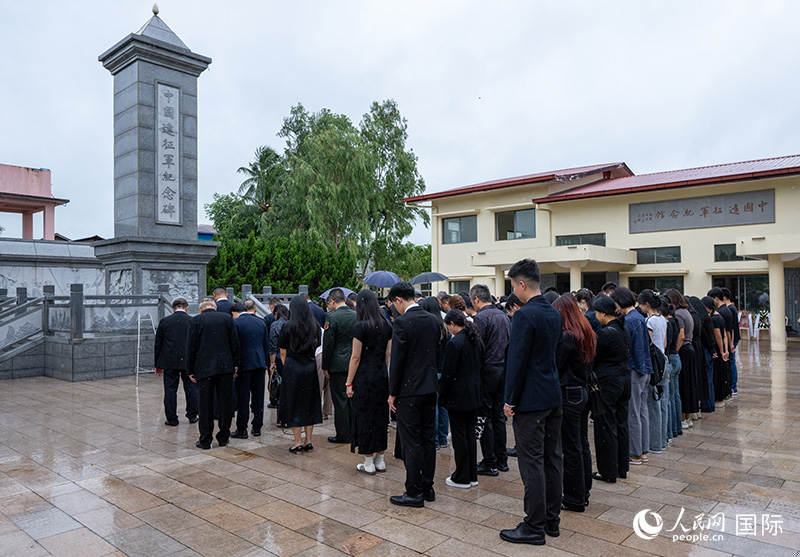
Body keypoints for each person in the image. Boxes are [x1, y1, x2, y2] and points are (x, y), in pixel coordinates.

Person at [500, 259, 563, 546]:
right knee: (551, 459)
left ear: (521, 284)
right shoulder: (553, 312)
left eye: (513, 284)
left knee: (531, 463)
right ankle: (551, 520)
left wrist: (509, 399)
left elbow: (517, 362)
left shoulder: (524, 316)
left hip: (531, 400)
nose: (513, 289)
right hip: (552, 395)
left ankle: (534, 525)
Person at [387, 281, 443, 508]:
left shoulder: (402, 322)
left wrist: (392, 393)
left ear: (399, 300)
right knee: (428, 439)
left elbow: (397, 360)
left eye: (393, 304)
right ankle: (427, 486)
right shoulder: (433, 320)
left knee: (411, 441)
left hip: (409, 390)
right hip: (430, 387)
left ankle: (413, 491)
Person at [552, 294, 595, 513]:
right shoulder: (585, 331)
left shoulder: (567, 337)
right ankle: (583, 489)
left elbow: (557, 367)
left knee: (571, 447)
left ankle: (574, 496)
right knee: (580, 444)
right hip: (582, 391)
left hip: (569, 393)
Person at [345, 289, 392, 474]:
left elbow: (355, 357)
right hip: (381, 375)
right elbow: (388, 354)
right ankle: (380, 459)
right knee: (381, 416)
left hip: (364, 376)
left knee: (365, 417)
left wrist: (349, 382)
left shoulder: (360, 327)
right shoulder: (387, 325)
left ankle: (368, 461)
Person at [188, 297, 241, 450]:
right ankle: (223, 437)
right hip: (225, 367)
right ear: (215, 308)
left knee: (205, 405)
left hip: (204, 368)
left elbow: (191, 347)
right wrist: (236, 364)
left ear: (201, 309)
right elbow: (234, 343)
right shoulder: (227, 319)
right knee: (225, 403)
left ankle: (205, 439)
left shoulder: (196, 320)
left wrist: (190, 370)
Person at [470, 284, 511, 476]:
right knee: (498, 416)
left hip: (487, 370)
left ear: (476, 299)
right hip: (502, 369)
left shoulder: (481, 317)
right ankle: (501, 459)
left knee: (484, 415)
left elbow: (477, 348)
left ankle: (489, 460)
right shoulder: (503, 315)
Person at [440, 309, 483, 488]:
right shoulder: (476, 339)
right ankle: (471, 474)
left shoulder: (455, 343)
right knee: (469, 435)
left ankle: (462, 476)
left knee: (459, 436)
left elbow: (448, 375)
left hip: (458, 396)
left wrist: (441, 397)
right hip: (474, 393)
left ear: (452, 324)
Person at [590, 294, 630, 483]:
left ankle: (607, 470)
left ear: (602, 313)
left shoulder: (605, 333)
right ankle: (621, 467)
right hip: (624, 380)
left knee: (606, 425)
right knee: (621, 423)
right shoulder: (623, 329)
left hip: (608, 383)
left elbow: (593, 358)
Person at [611, 287, 652, 466]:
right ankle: (643, 451)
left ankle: (634, 453)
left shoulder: (629, 320)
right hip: (645, 369)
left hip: (635, 370)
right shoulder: (639, 317)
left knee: (633, 414)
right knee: (642, 412)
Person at [279, 296, 323, 452]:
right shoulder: (315, 325)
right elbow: (317, 344)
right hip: (309, 366)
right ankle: (308, 440)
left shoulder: (287, 326)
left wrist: (288, 365)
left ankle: (297, 442)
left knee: (294, 403)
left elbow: (282, 351)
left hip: (292, 366)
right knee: (309, 403)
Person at [154, 297, 198, 426]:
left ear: (173, 309)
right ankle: (192, 415)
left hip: (169, 361)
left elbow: (158, 344)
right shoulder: (192, 321)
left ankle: (172, 418)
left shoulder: (165, 321)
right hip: (188, 361)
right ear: (187, 308)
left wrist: (158, 364)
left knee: (170, 390)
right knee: (191, 388)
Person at [322, 288, 357, 444]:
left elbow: (328, 344)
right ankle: (354, 430)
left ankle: (343, 434)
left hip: (337, 364)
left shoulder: (332, 318)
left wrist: (325, 365)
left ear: (332, 301)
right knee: (352, 398)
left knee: (340, 399)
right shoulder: (356, 315)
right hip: (354, 362)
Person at [231, 300, 269, 439]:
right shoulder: (261, 322)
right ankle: (257, 427)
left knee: (243, 398)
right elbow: (266, 345)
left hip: (244, 365)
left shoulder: (236, 324)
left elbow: (235, 347)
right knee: (258, 397)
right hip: (259, 363)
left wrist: (235, 366)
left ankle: (242, 428)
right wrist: (265, 363)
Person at [638, 290, 669, 455]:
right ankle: (662, 440)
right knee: (662, 404)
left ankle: (654, 444)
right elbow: (662, 343)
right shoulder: (663, 319)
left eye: (641, 304)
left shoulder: (649, 321)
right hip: (663, 362)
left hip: (654, 365)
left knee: (652, 407)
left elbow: (647, 345)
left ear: (647, 304)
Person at [665, 289, 699, 429]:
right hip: (689, 349)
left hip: (683, 350)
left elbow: (681, 335)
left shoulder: (678, 313)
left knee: (683, 386)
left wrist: (675, 352)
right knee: (689, 385)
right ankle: (688, 417)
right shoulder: (687, 312)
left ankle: (683, 417)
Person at [420, 297, 450, 449]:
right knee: (443, 406)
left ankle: (435, 440)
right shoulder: (445, 326)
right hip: (444, 370)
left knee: (434, 407)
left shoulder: (429, 326)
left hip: (433, 370)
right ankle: (443, 438)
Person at [268, 303, 289, 416]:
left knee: (281, 387)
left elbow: (272, 346)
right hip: (292, 359)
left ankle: (281, 416)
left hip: (279, 358)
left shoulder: (275, 325)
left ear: (276, 314)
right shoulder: (292, 324)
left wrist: (272, 363)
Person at [721, 288, 740, 395]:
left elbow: (730, 328)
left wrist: (731, 343)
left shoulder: (730, 309)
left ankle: (733, 386)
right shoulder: (730, 308)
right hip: (732, 339)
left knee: (731, 361)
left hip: (732, 339)